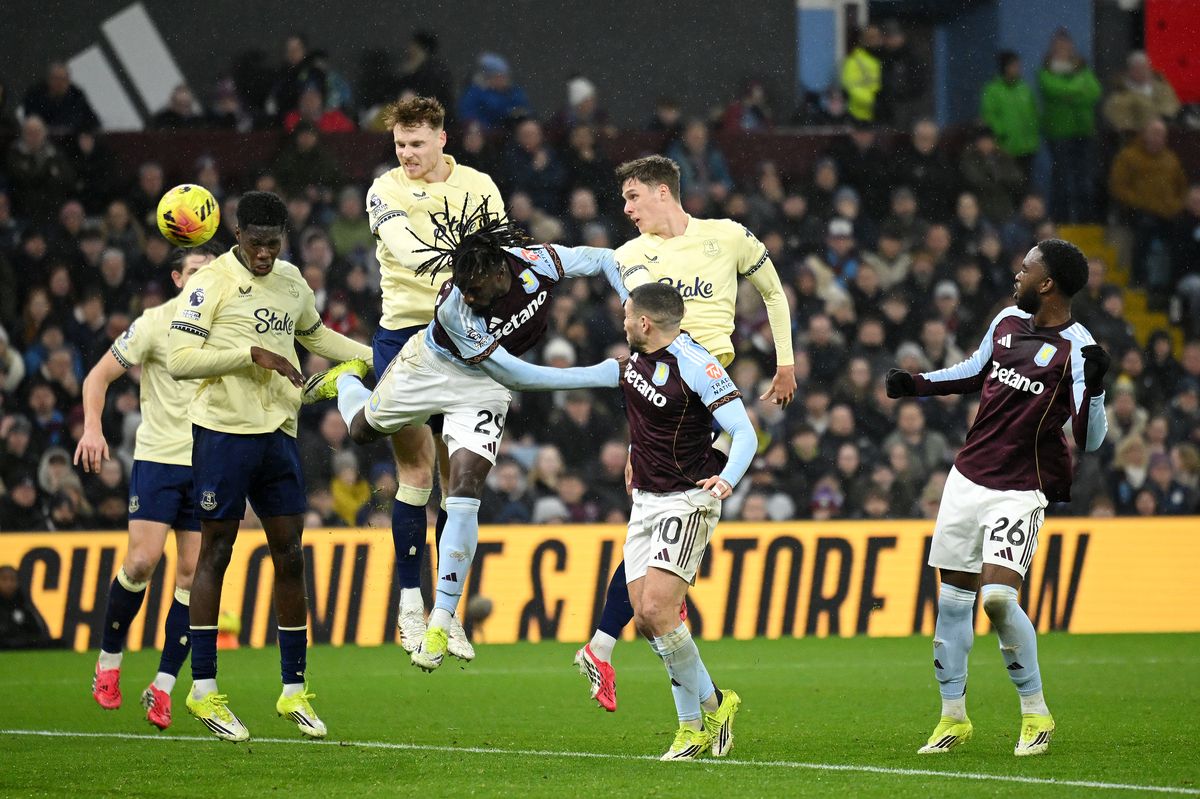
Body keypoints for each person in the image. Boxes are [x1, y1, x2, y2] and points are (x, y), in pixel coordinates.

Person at [315, 209, 628, 672]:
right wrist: (600, 374)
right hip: (430, 370)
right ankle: (345, 382)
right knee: (361, 431)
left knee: (464, 491)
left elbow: (603, 258)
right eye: (465, 288)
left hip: (482, 388)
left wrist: (629, 300)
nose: (470, 296)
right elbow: (516, 375)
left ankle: (442, 617)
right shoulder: (454, 308)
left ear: (502, 271)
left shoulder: (536, 261)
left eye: (478, 289)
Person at [574, 155, 796, 712]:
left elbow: (773, 293)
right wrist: (635, 438)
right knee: (654, 562)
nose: (624, 210)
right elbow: (641, 348)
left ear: (662, 193)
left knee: (667, 531)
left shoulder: (728, 236)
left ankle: (612, 645)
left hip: (710, 400)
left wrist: (785, 364)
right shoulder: (629, 257)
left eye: (631, 197)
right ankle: (650, 652)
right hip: (665, 409)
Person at [886, 238, 1109, 756]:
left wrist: (1096, 391)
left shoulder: (1079, 347)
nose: (1018, 272)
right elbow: (973, 371)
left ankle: (1035, 713)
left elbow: (1090, 437)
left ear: (1047, 282)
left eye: (1026, 266)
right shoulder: (1008, 320)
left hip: (1019, 489)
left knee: (998, 598)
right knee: (952, 601)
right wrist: (915, 384)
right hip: (966, 480)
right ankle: (953, 717)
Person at [166, 191, 373, 742]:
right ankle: (204, 689)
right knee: (217, 552)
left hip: (278, 434)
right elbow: (180, 360)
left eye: (272, 244)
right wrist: (250, 354)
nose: (263, 254)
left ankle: (292, 691)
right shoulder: (208, 282)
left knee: (290, 553)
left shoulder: (290, 280)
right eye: (255, 243)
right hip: (223, 434)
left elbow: (314, 335)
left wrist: (377, 356)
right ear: (237, 237)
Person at [363, 96, 503, 657]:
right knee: (415, 473)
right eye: (400, 145)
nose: (407, 154)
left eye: (417, 144)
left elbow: (498, 260)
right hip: (404, 337)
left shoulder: (480, 186)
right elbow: (404, 249)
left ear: (444, 139)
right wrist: (464, 263)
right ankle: (410, 608)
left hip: (464, 339)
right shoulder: (385, 190)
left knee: (458, 479)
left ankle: (447, 612)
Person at [74, 244, 217, 730]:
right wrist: (92, 427)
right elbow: (99, 376)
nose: (205, 276)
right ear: (178, 279)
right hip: (158, 459)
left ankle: (162, 687)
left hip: (208, 464)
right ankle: (108, 664)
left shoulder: (230, 323)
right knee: (141, 561)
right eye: (196, 270)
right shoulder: (155, 322)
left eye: (211, 269)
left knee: (194, 575)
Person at [613, 283, 752, 759]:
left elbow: (745, 432)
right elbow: (646, 421)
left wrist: (727, 478)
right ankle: (717, 703)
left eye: (628, 314)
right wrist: (634, 452)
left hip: (687, 498)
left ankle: (692, 726)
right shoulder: (639, 360)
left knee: (658, 611)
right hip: (645, 501)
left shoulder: (696, 364)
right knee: (645, 621)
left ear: (645, 322)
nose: (624, 320)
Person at [1038, 29, 1102, 223]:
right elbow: (1053, 89)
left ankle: (1085, 221)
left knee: (1084, 180)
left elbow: (1095, 92)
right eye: (1059, 46)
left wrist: (1070, 94)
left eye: (1066, 46)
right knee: (1062, 180)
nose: (1063, 50)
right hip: (1058, 134)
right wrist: (1078, 90)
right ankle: (1061, 220)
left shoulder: (1083, 68)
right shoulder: (1045, 71)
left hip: (1083, 131)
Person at [981, 51, 1040, 177]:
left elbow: (1033, 113)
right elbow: (989, 116)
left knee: (1025, 185)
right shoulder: (993, 90)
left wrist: (1033, 135)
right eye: (1014, 66)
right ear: (1005, 67)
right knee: (1009, 184)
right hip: (1006, 148)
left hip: (1028, 146)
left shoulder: (1024, 88)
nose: (1018, 69)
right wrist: (1003, 132)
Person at [1102, 51, 1181, 136]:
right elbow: (1120, 121)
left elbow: (1173, 107)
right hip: (1135, 139)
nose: (1142, 71)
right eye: (1137, 68)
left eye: (1144, 67)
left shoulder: (1162, 88)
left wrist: (1163, 118)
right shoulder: (1120, 94)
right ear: (1130, 70)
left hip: (1165, 135)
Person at [0, 565, 52, 650]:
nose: (8, 584)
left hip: (24, 647)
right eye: (4, 579)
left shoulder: (25, 605)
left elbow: (40, 632)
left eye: (12, 580)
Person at [842, 24, 883, 123]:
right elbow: (850, 86)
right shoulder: (854, 60)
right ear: (863, 39)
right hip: (859, 115)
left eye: (877, 37)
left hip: (883, 115)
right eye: (871, 37)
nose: (875, 40)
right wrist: (874, 101)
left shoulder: (884, 58)